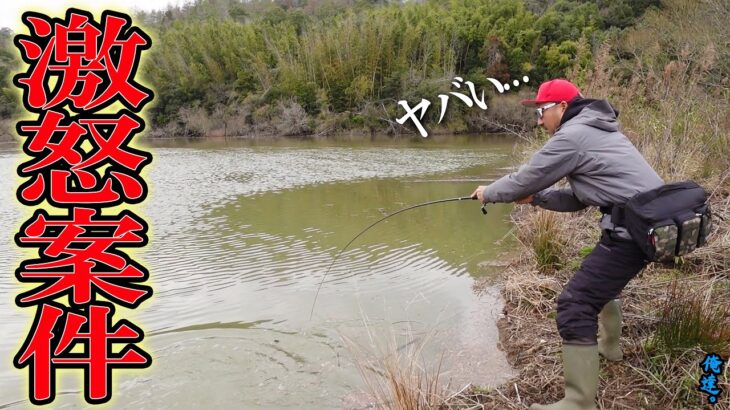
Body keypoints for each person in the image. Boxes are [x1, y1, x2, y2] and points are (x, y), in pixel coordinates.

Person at [471, 78, 664, 410]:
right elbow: (579, 198)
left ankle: (578, 401)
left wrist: (489, 192)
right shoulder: (595, 129)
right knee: (598, 286)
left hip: (633, 230)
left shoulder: (573, 136)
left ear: (562, 107)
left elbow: (523, 179)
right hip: (642, 225)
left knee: (575, 304)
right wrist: (538, 199)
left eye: (542, 111)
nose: (539, 119)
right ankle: (609, 348)